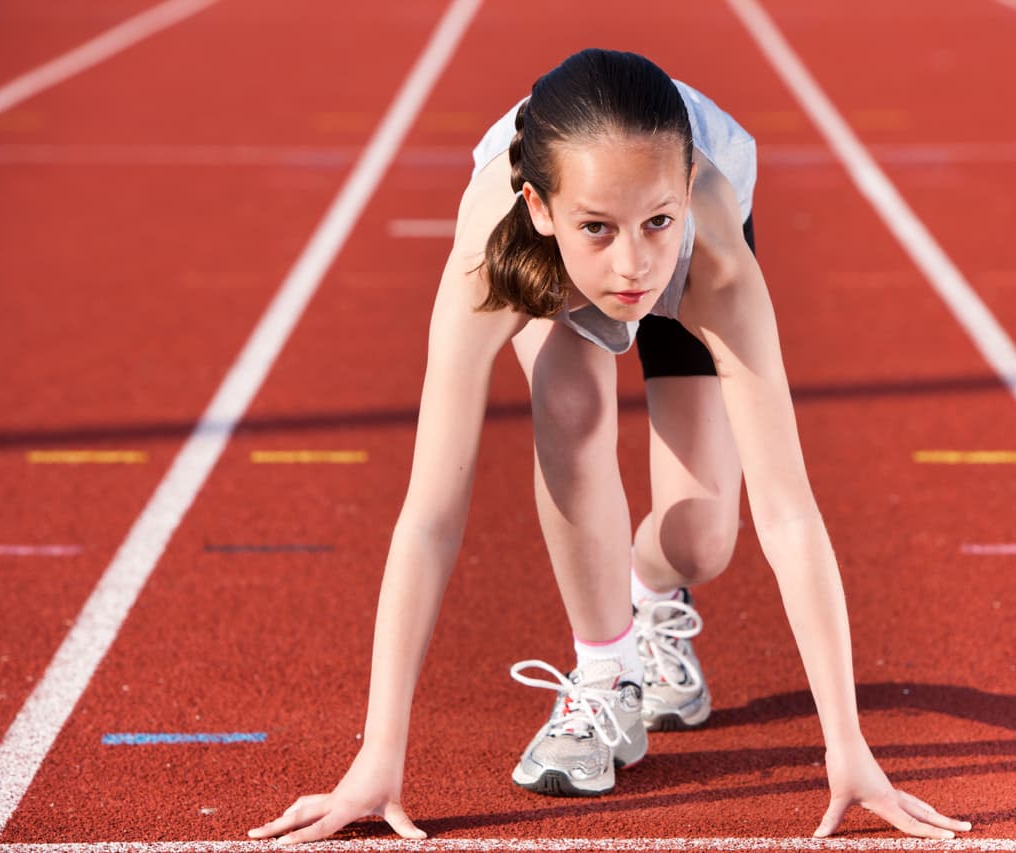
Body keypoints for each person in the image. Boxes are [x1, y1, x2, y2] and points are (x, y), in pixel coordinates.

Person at [247, 48, 971, 844]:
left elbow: (788, 511)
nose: (632, 267)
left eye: (656, 223)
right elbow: (429, 517)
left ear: (686, 191)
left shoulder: (711, 255)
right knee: (571, 396)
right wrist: (378, 755)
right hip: (552, 254)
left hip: (676, 217)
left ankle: (652, 589)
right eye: (599, 229)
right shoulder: (493, 253)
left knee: (702, 541)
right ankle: (604, 675)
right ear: (541, 207)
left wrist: (849, 746)